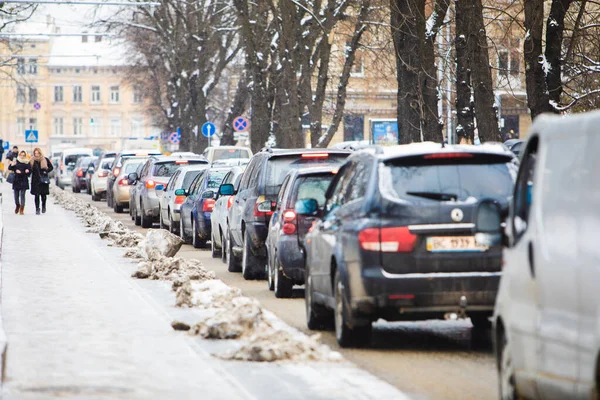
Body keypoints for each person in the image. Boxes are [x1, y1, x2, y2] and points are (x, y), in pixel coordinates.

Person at [30, 147, 53, 215]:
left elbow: (51, 167)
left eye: (37, 153)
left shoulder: (45, 159)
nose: (36, 155)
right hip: (35, 180)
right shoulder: (32, 160)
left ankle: (43, 206)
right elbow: (29, 168)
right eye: (35, 153)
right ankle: (37, 208)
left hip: (43, 179)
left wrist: (46, 171)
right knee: (36, 195)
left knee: (43, 195)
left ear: (40, 153)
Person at [8, 150, 30, 215]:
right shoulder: (16, 161)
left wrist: (27, 170)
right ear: (19, 155)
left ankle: (22, 208)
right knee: (16, 196)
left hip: (24, 180)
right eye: (21, 155)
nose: (22, 156)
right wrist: (14, 167)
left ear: (25, 156)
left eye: (24, 155)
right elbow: (10, 168)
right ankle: (17, 205)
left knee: (22, 195)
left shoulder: (27, 162)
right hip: (16, 180)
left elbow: (30, 171)